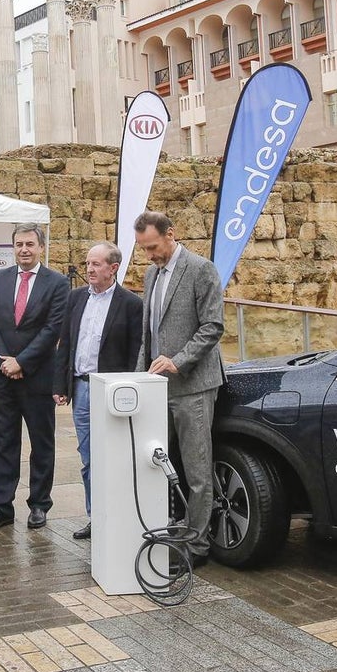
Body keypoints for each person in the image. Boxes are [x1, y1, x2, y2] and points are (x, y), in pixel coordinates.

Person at [134, 210, 224, 568]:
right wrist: (138, 377)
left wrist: (179, 360)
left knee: (197, 470)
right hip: (157, 389)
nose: (148, 255)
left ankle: (198, 545)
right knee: (161, 466)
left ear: (171, 234)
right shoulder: (150, 274)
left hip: (194, 387)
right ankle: (174, 529)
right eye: (143, 249)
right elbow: (149, 333)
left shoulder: (201, 269)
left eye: (152, 247)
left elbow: (213, 326)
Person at [0, 223, 69, 531]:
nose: (24, 250)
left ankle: (39, 504)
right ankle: (1, 506)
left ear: (41, 247)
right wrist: (6, 361)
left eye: (30, 244)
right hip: (4, 376)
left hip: (38, 377)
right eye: (19, 244)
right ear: (13, 247)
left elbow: (52, 329)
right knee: (5, 442)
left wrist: (22, 362)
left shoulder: (57, 283)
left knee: (41, 443)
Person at [52, 242, 143, 540]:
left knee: (115, 455)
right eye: (88, 263)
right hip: (81, 389)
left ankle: (119, 515)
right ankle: (96, 517)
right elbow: (65, 342)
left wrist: (130, 390)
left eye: (97, 264)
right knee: (89, 456)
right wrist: (60, 385)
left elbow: (135, 352)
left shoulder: (130, 303)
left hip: (112, 393)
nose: (90, 269)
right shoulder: (76, 298)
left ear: (113, 268)